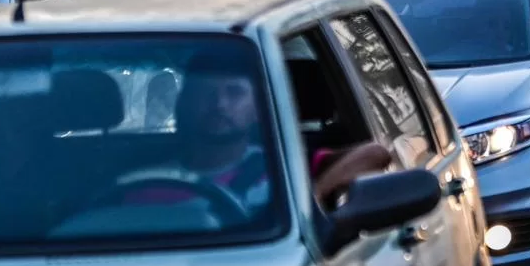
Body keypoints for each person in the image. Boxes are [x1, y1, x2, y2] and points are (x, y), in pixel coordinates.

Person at [126, 55, 391, 210]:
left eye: (234, 93)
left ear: (257, 107)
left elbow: (374, 154)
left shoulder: (282, 169)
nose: (219, 104)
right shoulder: (143, 184)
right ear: (183, 104)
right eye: (205, 93)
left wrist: (309, 203)